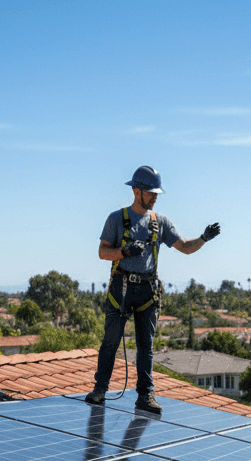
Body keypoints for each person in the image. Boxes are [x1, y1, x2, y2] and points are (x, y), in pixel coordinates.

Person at [86, 165, 220, 414]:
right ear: (137, 191)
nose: (155, 196)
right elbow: (103, 252)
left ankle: (146, 395)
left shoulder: (161, 223)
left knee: (146, 345)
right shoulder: (116, 219)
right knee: (110, 342)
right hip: (121, 288)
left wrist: (203, 238)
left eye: (157, 192)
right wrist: (125, 252)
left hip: (148, 291)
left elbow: (185, 247)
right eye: (151, 192)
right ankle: (100, 390)